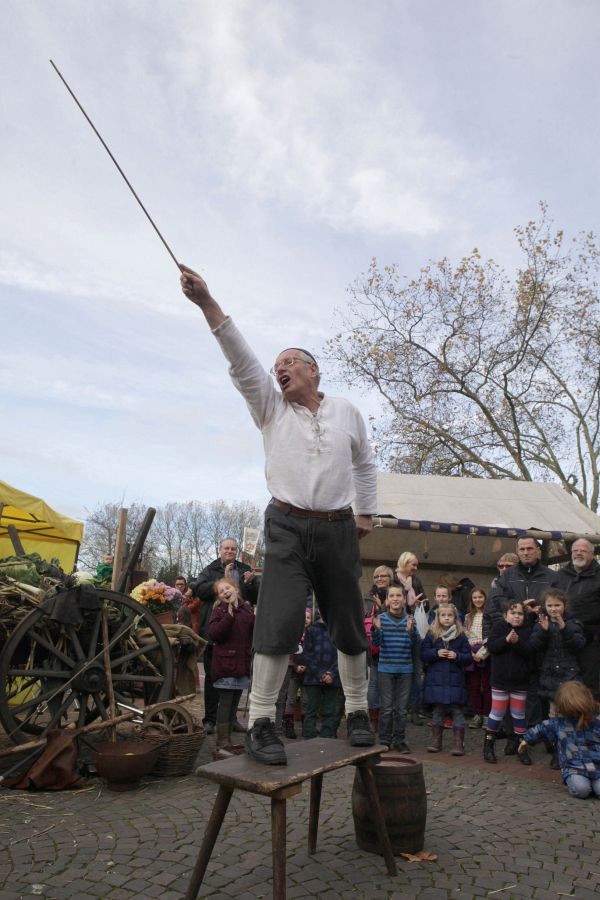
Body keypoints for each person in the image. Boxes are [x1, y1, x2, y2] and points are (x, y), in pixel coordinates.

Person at [181, 265, 378, 765]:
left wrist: (367, 514)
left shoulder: (347, 411)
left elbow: (364, 464)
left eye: (290, 362)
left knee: (349, 623)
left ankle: (357, 712)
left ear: (314, 371)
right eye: (277, 365)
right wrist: (208, 303)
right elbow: (241, 359)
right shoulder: (270, 407)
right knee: (279, 619)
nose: (279, 369)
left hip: (338, 528)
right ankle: (262, 722)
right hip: (287, 526)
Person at [191, 538, 259, 734]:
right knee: (212, 676)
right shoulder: (211, 569)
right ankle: (210, 719)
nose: (230, 551)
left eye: (233, 549)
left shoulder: (245, 569)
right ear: (220, 550)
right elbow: (199, 590)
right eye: (226, 548)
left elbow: (255, 596)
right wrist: (221, 581)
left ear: (236, 551)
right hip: (217, 630)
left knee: (238, 675)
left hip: (240, 633)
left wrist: (250, 584)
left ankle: (231, 719)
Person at [529, 588, 585, 767]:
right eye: (550, 605)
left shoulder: (573, 622)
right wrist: (543, 632)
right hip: (550, 674)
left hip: (569, 674)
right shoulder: (540, 623)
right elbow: (533, 646)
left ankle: (572, 749)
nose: (554, 609)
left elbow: (579, 645)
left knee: (570, 713)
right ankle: (557, 752)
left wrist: (565, 629)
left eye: (557, 605)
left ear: (564, 605)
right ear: (545, 606)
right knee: (554, 715)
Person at [518, 681, 600, 798]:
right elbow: (541, 729)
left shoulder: (594, 721)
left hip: (597, 766)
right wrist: (526, 740)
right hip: (574, 767)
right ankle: (579, 783)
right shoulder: (559, 723)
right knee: (582, 789)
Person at [207, 578, 254, 755]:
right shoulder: (218, 611)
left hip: (242, 663)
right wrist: (228, 616)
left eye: (228, 588)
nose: (225, 592)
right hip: (226, 664)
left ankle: (228, 732)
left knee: (235, 701)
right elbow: (214, 634)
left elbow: (252, 630)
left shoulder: (246, 609)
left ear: (236, 589)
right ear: (219, 597)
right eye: (221, 591)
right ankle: (222, 739)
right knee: (226, 702)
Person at [483, 600, 533, 765]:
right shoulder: (499, 627)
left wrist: (517, 642)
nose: (516, 616)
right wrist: (506, 640)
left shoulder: (527, 630)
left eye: (520, 614)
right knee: (496, 714)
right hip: (500, 680)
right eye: (513, 613)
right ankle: (488, 746)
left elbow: (530, 652)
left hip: (520, 682)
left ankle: (521, 748)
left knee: (519, 715)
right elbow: (492, 646)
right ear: (505, 615)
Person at [371, 585, 417, 752]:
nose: (396, 598)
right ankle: (384, 739)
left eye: (399, 595)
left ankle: (399, 740)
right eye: (392, 596)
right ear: (387, 600)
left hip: (405, 670)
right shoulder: (381, 618)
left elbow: (414, 644)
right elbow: (376, 643)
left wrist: (411, 631)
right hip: (386, 669)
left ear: (404, 599)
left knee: (402, 710)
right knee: (386, 708)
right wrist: (376, 630)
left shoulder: (410, 619)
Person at [421, 604, 472, 755]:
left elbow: (468, 658)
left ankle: (458, 744)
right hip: (436, 682)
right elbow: (423, 654)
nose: (446, 618)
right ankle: (436, 742)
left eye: (450, 615)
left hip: (455, 683)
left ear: (455, 618)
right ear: (438, 618)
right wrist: (435, 653)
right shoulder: (431, 635)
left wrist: (457, 656)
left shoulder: (461, 636)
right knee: (437, 712)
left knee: (457, 713)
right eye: (443, 615)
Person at [556, 539, 600, 699]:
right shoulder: (560, 576)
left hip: (591, 644)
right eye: (575, 550)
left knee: (589, 688)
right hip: (563, 641)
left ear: (592, 554)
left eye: (583, 550)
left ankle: (591, 715)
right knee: (563, 686)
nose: (579, 553)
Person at [395, 553, 428, 725]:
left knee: (416, 670)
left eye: (416, 565)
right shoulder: (394, 579)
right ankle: (399, 709)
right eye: (413, 564)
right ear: (404, 563)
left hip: (414, 631)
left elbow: (426, 603)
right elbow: (391, 604)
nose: (415, 568)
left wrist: (420, 603)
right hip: (397, 631)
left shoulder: (416, 581)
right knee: (398, 671)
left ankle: (414, 709)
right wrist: (407, 598)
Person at [301, 610, 342, 739]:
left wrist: (332, 673)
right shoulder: (311, 630)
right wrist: (321, 674)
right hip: (313, 677)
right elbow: (307, 654)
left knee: (330, 711)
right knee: (311, 709)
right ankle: (309, 738)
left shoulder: (338, 631)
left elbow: (342, 655)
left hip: (333, 678)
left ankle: (327, 738)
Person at [363, 565, 394, 733]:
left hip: (392, 647)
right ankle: (373, 719)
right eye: (376, 576)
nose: (379, 579)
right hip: (373, 648)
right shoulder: (367, 597)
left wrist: (384, 608)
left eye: (383, 576)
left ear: (390, 578)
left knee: (388, 686)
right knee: (373, 684)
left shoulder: (396, 595)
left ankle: (386, 718)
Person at [464, 588, 491, 729]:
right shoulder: (468, 617)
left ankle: (487, 714)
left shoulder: (489, 615)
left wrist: (482, 654)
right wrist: (471, 654)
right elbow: (465, 636)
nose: (477, 600)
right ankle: (477, 714)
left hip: (486, 653)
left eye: (480, 597)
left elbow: (490, 636)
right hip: (472, 654)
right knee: (474, 686)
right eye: (475, 597)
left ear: (485, 598)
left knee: (486, 686)